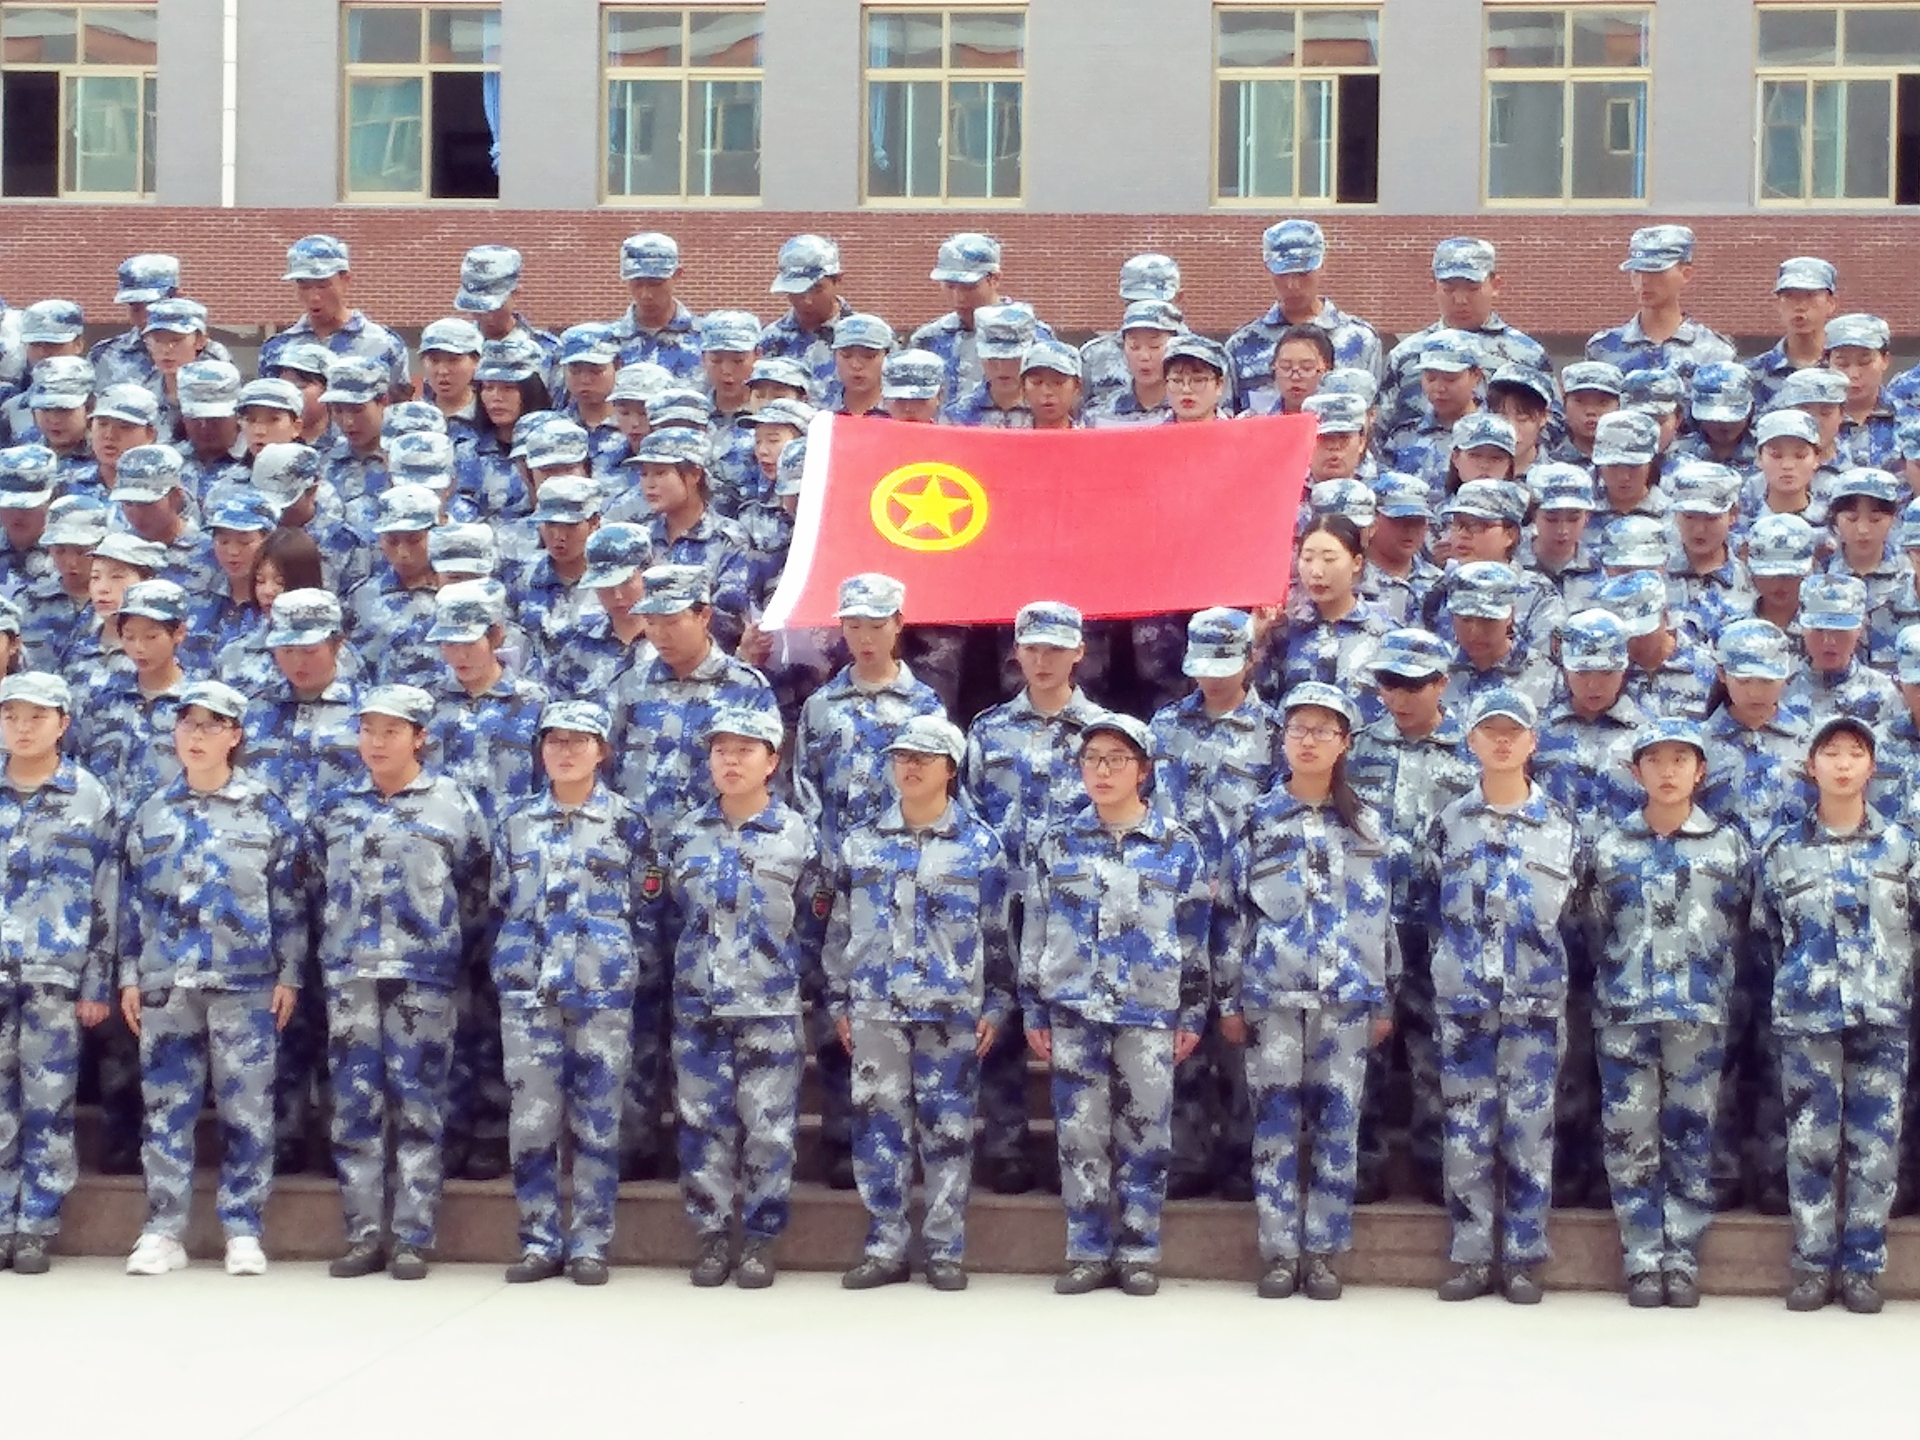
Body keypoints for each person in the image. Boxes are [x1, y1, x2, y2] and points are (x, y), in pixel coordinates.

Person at [1216, 682, 1394, 1300]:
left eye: (1322, 731)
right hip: (1272, 997)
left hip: (1347, 999)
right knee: (1274, 1127)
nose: (1308, 741)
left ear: (1344, 743)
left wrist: (1383, 997)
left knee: (1339, 1128)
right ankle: (1279, 1253)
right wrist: (1229, 999)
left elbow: (1382, 919)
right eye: (1298, 730)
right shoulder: (1256, 820)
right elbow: (1232, 916)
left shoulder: (1367, 823)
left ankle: (1322, 1253)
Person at [118, 679, 302, 1278]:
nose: (195, 737)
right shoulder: (151, 811)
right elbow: (131, 903)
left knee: (247, 1110)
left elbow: (289, 900)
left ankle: (243, 1228)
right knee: (166, 1108)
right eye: (187, 724)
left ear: (235, 735)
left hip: (245, 981)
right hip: (168, 980)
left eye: (211, 725)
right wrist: (128, 974)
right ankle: (163, 1229)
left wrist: (291, 973)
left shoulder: (267, 810)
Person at [1023, 712, 1209, 1297]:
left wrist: (1193, 1011)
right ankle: (1086, 1250)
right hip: (1073, 1007)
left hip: (1149, 1011)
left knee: (1146, 1133)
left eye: (1117, 760)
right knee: (1080, 1134)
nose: (1102, 771)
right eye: (1092, 759)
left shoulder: (1178, 846)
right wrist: (1033, 1007)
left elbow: (1194, 935)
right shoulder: (1057, 842)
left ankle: (1138, 1251)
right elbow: (1035, 928)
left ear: (1144, 770)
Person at [306, 684, 489, 1282]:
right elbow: (314, 885)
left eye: (391, 731)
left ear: (420, 738)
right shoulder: (334, 808)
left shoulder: (453, 805)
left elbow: (477, 887)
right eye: (368, 730)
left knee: (419, 1106)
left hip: (423, 976)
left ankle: (411, 1236)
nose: (377, 742)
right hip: (351, 976)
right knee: (354, 1107)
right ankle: (363, 1234)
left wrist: (446, 948)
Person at [826, 714, 1012, 1291]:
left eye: (924, 758)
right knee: (878, 1129)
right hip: (876, 1007)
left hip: (951, 1011)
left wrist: (997, 1004)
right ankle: (884, 1247)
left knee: (948, 1132)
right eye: (902, 757)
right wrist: (838, 999)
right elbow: (839, 928)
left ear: (950, 769)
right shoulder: (861, 842)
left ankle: (944, 1250)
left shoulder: (980, 846)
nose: (909, 767)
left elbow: (996, 933)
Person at [489, 700, 660, 1286]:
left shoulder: (628, 823)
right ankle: (538, 1241)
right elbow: (500, 900)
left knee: (597, 1122)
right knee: (531, 1124)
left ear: (602, 751)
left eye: (578, 741)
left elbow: (646, 908)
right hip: (529, 991)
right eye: (554, 741)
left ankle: (590, 1242)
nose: (565, 751)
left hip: (601, 991)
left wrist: (618, 965)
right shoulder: (515, 822)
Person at [1423, 687, 1583, 1304]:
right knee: (1465, 1131)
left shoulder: (1562, 827)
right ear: (1471, 742)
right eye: (1490, 731)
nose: (1502, 741)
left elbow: (1579, 914)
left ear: (1532, 742)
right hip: (1464, 1000)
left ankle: (1521, 1257)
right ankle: (1470, 1256)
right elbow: (1429, 906)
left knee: (1530, 1132)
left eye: (1513, 732)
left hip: (1534, 1003)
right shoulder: (1449, 823)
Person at [1587, 717, 1751, 1307]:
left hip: (1698, 1013)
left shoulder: (1729, 847)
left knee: (1691, 1137)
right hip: (1625, 1012)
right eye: (1654, 761)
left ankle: (1681, 1258)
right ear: (1636, 772)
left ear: (1700, 771)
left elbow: (1743, 927)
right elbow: (1594, 929)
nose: (1667, 772)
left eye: (1680, 760)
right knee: (1629, 1139)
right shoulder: (1609, 846)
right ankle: (1641, 1258)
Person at [1757, 715, 1919, 1314]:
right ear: (1811, 766)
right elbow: (1769, 935)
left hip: (1882, 1013)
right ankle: (1812, 1264)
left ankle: (1863, 1267)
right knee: (1811, 1144)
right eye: (1831, 752)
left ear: (1872, 766)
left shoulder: (1903, 847)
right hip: (1808, 1016)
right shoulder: (1783, 850)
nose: (1843, 764)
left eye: (1855, 753)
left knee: (1876, 1146)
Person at [664, 706, 823, 1290]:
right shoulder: (685, 833)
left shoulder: (799, 836)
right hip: (698, 1004)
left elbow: (816, 920)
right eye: (720, 751)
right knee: (701, 1127)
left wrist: (795, 980)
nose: (730, 761)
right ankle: (710, 1236)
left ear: (772, 762)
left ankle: (760, 1238)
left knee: (769, 1130)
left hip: (769, 1006)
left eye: (745, 750)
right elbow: (667, 916)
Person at [1348, 628, 1476, 1205]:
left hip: (1438, 923)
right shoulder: (1355, 750)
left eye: (1413, 685)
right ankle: (1360, 1166)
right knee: (1362, 1052)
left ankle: (1433, 1164)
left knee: (1436, 1050)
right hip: (1369, 921)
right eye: (1388, 684)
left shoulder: (1471, 751)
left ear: (1442, 683)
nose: (1398, 697)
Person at [0, 671, 117, 1275]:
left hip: (56, 973)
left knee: (48, 1103)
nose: (22, 728)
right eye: (11, 716)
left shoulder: (89, 797)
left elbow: (106, 896)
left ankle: (35, 1227)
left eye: (36, 717)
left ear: (63, 724)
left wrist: (97, 982)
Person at [1381, 238, 1550, 435]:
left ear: (1495, 285)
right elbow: (1383, 429)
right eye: (1449, 289)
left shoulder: (1527, 355)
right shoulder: (1405, 355)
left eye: (1472, 288)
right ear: (1433, 287)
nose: (1460, 300)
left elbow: (1552, 427)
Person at [1225, 220, 1383, 412]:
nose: (1293, 285)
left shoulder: (1361, 341)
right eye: (1283, 275)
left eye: (1303, 274)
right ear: (1267, 269)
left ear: (1323, 265)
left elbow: (1375, 415)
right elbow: (1226, 418)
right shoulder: (1242, 344)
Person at [259, 235, 409, 401]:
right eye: (304, 286)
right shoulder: (277, 350)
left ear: (345, 280)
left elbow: (399, 410)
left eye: (323, 285)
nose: (314, 297)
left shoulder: (383, 344)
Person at [910, 233, 1055, 399]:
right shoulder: (928, 339)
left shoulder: (1034, 336)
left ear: (994, 279)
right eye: (950, 286)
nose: (958, 297)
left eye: (968, 287)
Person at [1585, 226, 1736, 379]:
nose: (1643, 281)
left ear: (1686, 274)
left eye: (1655, 271)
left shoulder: (1714, 352)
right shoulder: (1602, 348)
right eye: (1636, 271)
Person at [1080, 254, 1182, 409]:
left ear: (1179, 297)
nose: (1143, 310)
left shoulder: (1204, 358)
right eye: (1134, 301)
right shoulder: (1093, 356)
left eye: (1156, 303)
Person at [760, 234, 850, 399]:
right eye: (797, 290)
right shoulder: (769, 340)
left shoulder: (866, 339)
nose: (807, 300)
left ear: (837, 281)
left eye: (817, 289)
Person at [1746, 256, 1838, 412]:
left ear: (1831, 304)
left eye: (1810, 296)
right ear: (1778, 305)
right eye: (1789, 297)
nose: (1800, 307)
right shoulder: (1753, 375)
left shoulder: (1845, 371)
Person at [608, 233, 702, 380]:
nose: (646, 295)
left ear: (677, 275)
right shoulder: (607, 343)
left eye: (655, 284)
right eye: (637, 283)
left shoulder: (705, 339)